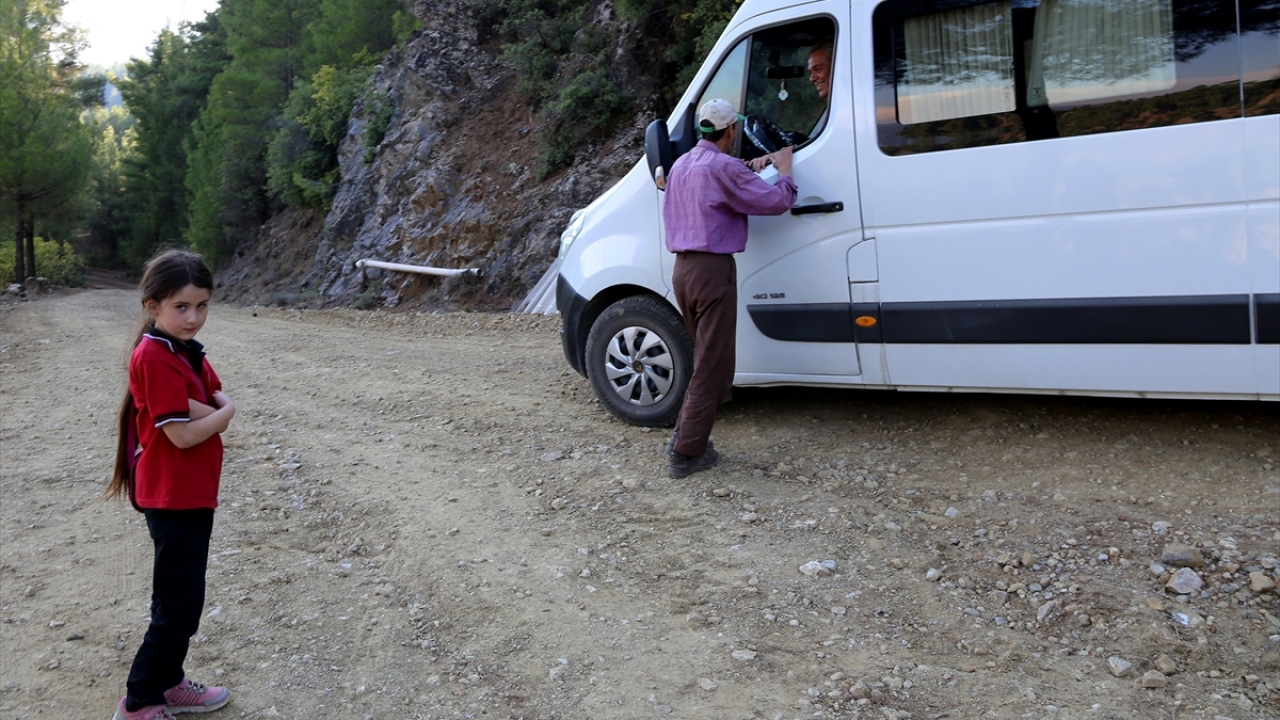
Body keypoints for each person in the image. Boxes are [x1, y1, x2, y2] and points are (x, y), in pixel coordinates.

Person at [105, 249, 236, 720]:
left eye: (202, 305)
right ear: (152, 305)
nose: (194, 317)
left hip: (192, 493)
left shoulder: (183, 350)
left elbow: (207, 395)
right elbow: (181, 433)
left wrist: (211, 410)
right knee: (177, 605)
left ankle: (169, 680)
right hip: (172, 495)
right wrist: (224, 416)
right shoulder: (154, 356)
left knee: (183, 598)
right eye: (181, 306)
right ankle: (140, 700)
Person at [662, 98, 798, 478]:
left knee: (706, 359)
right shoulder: (723, 167)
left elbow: (719, 180)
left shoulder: (682, 165)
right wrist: (783, 171)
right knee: (711, 363)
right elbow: (775, 201)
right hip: (712, 271)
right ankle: (686, 452)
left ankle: (688, 437)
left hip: (683, 272)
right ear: (732, 130)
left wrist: (749, 167)